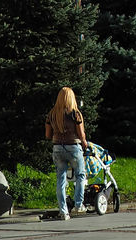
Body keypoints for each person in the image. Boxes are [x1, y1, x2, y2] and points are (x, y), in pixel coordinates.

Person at [45, 86, 89, 218]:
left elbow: (48, 135)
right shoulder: (75, 113)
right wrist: (85, 143)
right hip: (73, 147)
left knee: (61, 179)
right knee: (80, 175)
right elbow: (81, 135)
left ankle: (63, 211)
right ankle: (78, 205)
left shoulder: (51, 114)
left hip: (57, 148)